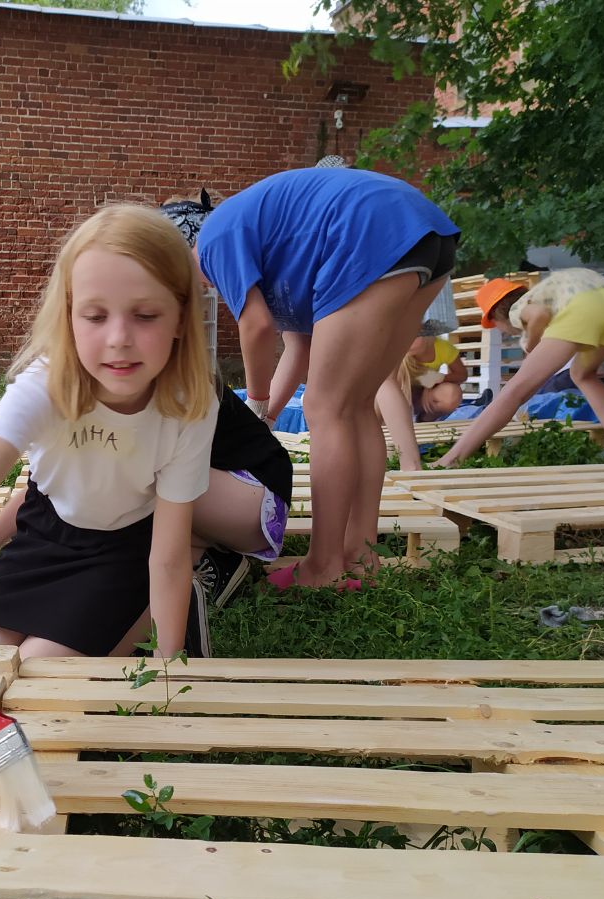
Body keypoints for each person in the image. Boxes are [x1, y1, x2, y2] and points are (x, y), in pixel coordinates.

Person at [0, 205, 219, 700]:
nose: (119, 339)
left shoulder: (188, 406)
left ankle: (149, 614)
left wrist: (170, 665)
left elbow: (169, 553)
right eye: (95, 315)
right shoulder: (47, 383)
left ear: (180, 316)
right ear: (68, 315)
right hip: (41, 537)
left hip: (123, 550)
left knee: (43, 675)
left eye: (146, 315)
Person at [193, 168, 459, 589]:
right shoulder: (277, 254)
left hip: (371, 230)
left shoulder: (210, 240)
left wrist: (257, 401)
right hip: (427, 238)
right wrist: (266, 420)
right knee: (355, 404)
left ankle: (322, 567)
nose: (208, 288)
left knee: (324, 407)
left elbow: (256, 326)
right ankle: (360, 555)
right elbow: (298, 349)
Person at [0, 376, 294, 639]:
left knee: (131, 479)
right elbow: (45, 485)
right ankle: (207, 558)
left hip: (252, 496)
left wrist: (166, 667)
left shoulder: (159, 385)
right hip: (214, 493)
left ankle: (179, 583)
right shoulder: (68, 386)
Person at [434, 269, 604, 467]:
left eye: (495, 325)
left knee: (512, 391)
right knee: (583, 375)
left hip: (586, 306)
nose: (501, 331)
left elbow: (538, 314)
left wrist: (532, 343)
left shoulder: (517, 308)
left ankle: (452, 459)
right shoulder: (547, 298)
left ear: (497, 315)